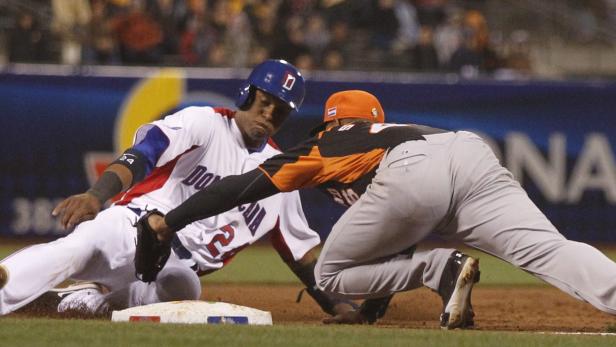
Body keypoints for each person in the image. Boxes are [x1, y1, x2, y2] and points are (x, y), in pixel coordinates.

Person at [142, 89, 616, 329]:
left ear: (333, 121)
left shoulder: (326, 143)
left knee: (328, 274)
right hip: (470, 152)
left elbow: (239, 188)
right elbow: (399, 230)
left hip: (412, 174)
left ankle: (441, 270)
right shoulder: (398, 129)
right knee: (549, 250)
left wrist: (170, 221)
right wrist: (374, 313)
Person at [0, 61, 378, 323]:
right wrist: (97, 196)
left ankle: (84, 304)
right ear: (248, 95)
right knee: (74, 249)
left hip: (175, 269)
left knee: (184, 288)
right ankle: (7, 285)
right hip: (131, 226)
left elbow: (303, 258)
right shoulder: (204, 122)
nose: (269, 116)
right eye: (266, 103)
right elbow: (141, 155)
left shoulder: (281, 175)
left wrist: (341, 306)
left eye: (280, 112)